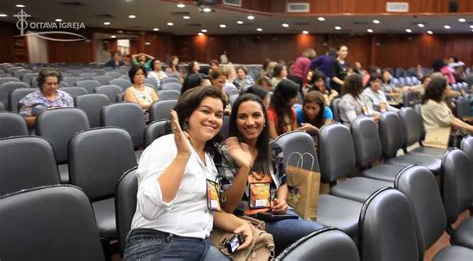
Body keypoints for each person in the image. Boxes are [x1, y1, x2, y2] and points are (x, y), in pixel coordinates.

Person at [124, 86, 253, 260]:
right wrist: (182, 156)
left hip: (201, 246)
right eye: (206, 111)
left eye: (218, 114)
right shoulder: (166, 145)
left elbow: (209, 211)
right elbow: (149, 209)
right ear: (187, 114)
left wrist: (242, 224)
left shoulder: (209, 159)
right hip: (159, 244)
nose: (212, 119)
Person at [213, 93, 324, 254]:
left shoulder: (272, 147)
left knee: (319, 236)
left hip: (275, 214)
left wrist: (281, 200)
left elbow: (283, 182)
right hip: (248, 219)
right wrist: (245, 167)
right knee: (317, 234)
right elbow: (228, 207)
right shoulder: (225, 151)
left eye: (256, 115)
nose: (250, 122)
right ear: (235, 122)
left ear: (264, 119)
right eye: (243, 117)